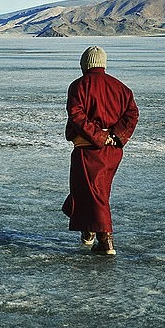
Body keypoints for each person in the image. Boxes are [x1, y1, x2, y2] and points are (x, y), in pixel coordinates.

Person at [62, 46, 139, 256]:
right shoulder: (121, 88)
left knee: (95, 194)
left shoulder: (78, 86)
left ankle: (106, 241)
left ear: (85, 64)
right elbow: (132, 114)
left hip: (88, 148)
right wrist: (117, 135)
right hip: (112, 152)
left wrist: (99, 136)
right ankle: (88, 231)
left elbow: (76, 115)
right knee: (92, 190)